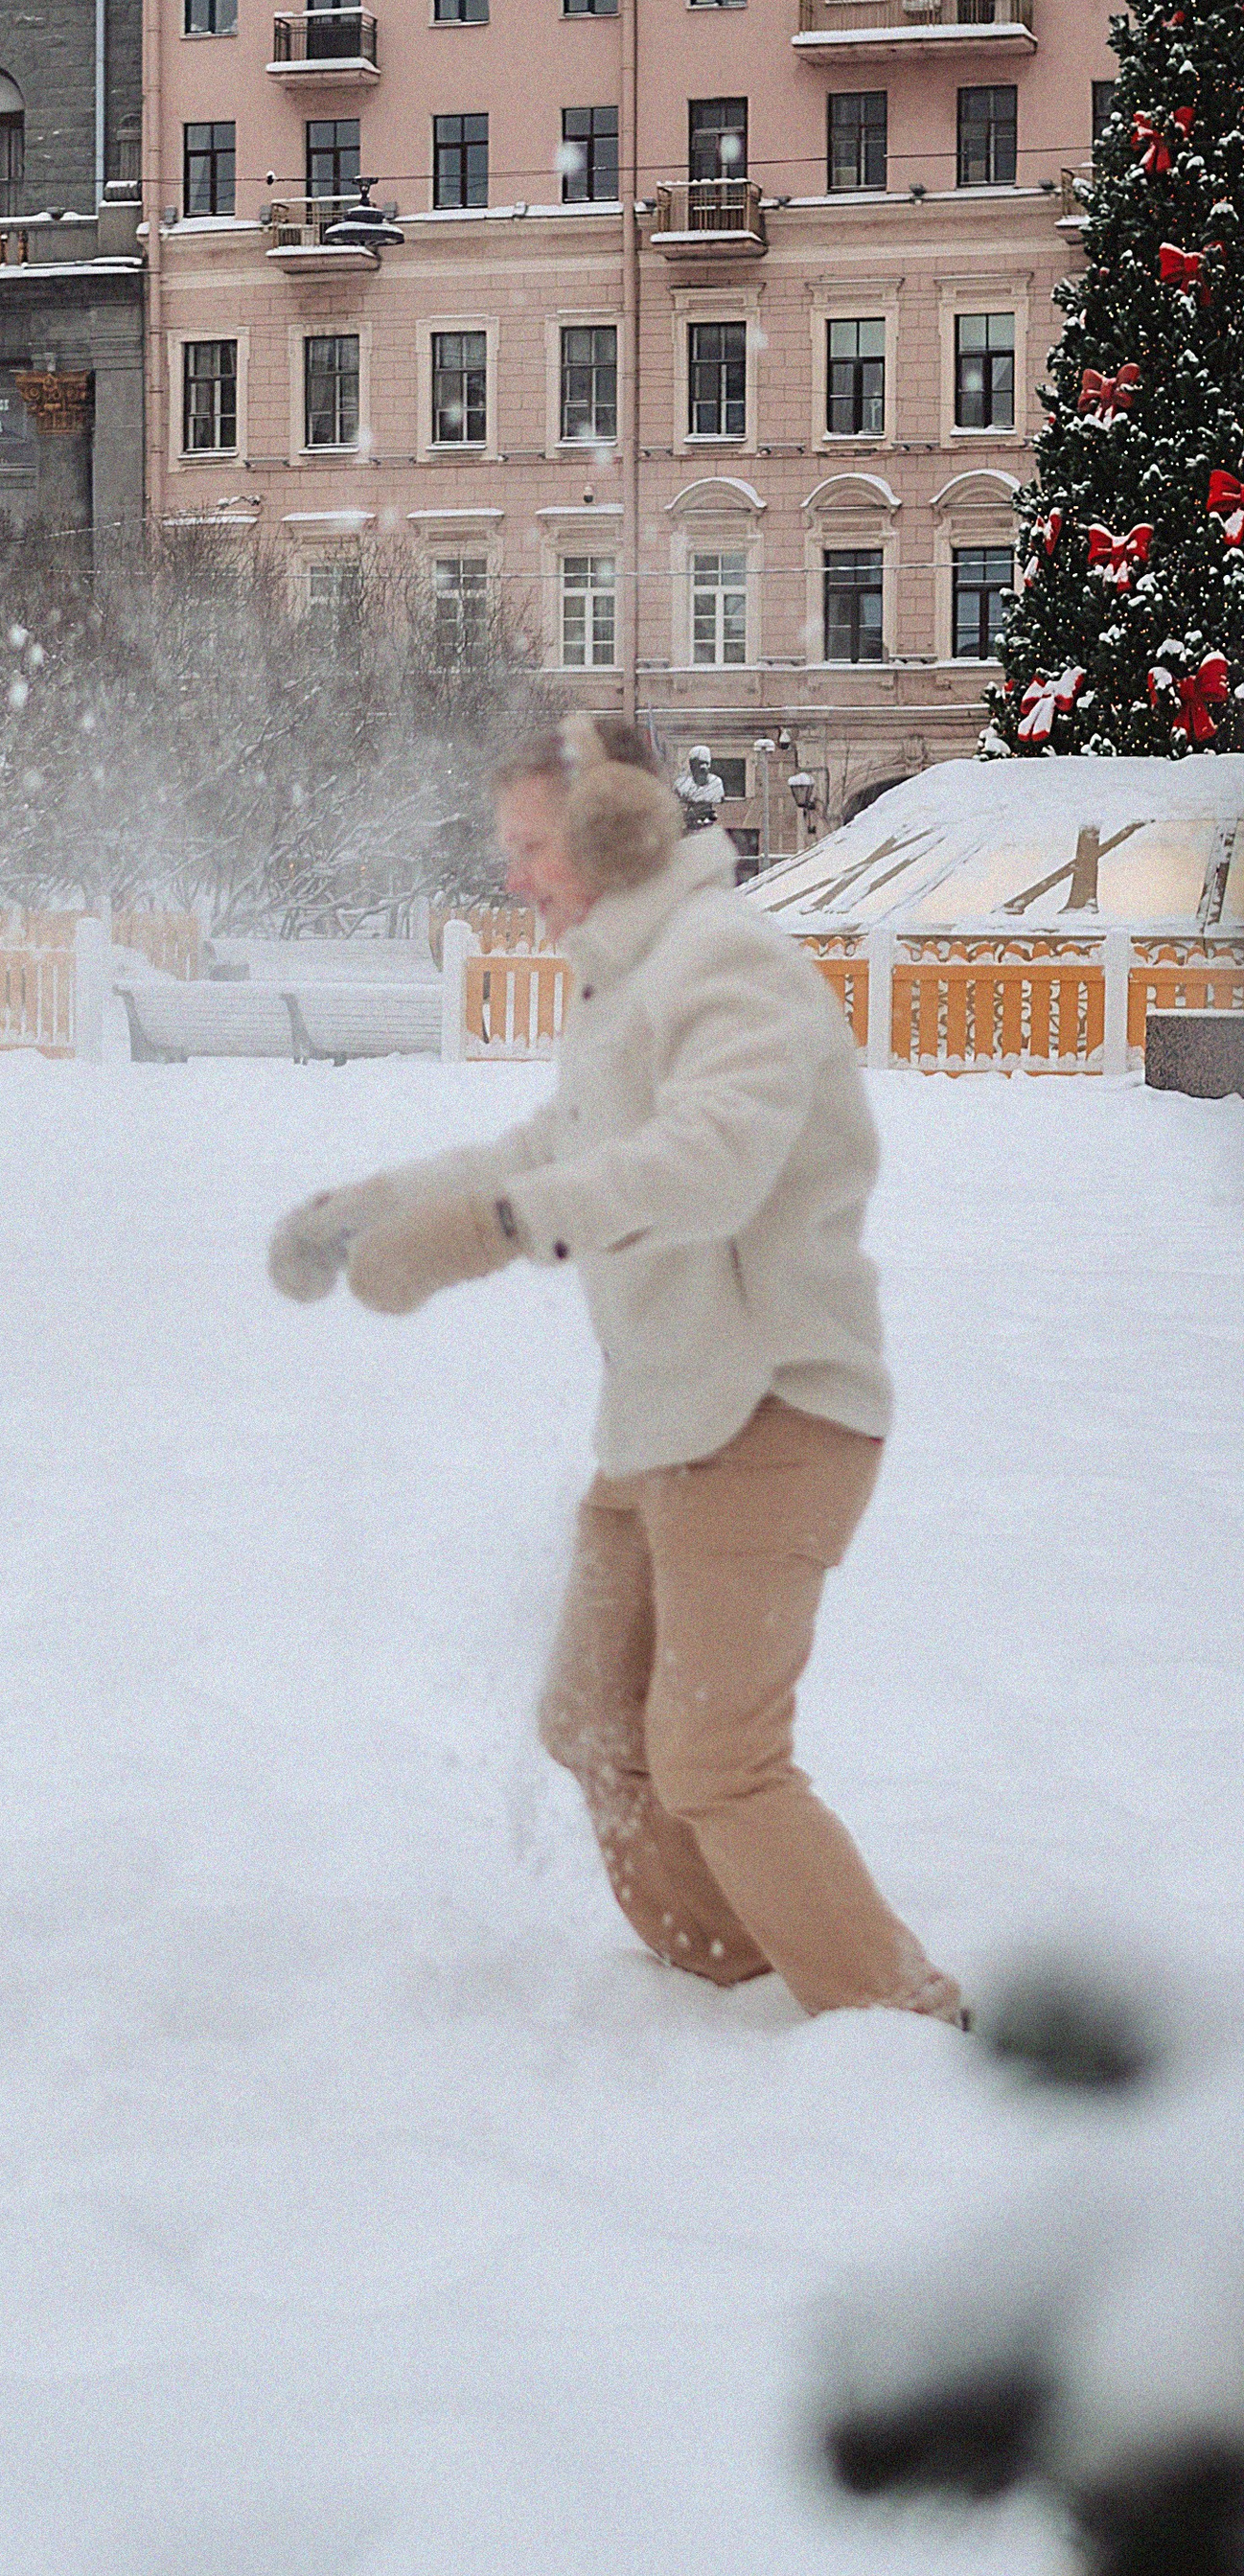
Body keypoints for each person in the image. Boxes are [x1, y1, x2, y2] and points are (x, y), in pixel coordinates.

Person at [268, 717, 958, 2024]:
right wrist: (369, 1204)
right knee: (591, 1718)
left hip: (772, 1409)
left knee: (715, 1755)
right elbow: (546, 1143)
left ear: (617, 832)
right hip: (661, 1424)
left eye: (532, 844)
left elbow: (710, 1160)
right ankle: (730, 1970)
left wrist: (493, 1231)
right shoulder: (626, 987)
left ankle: (904, 2024)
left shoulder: (729, 966)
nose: (515, 874)